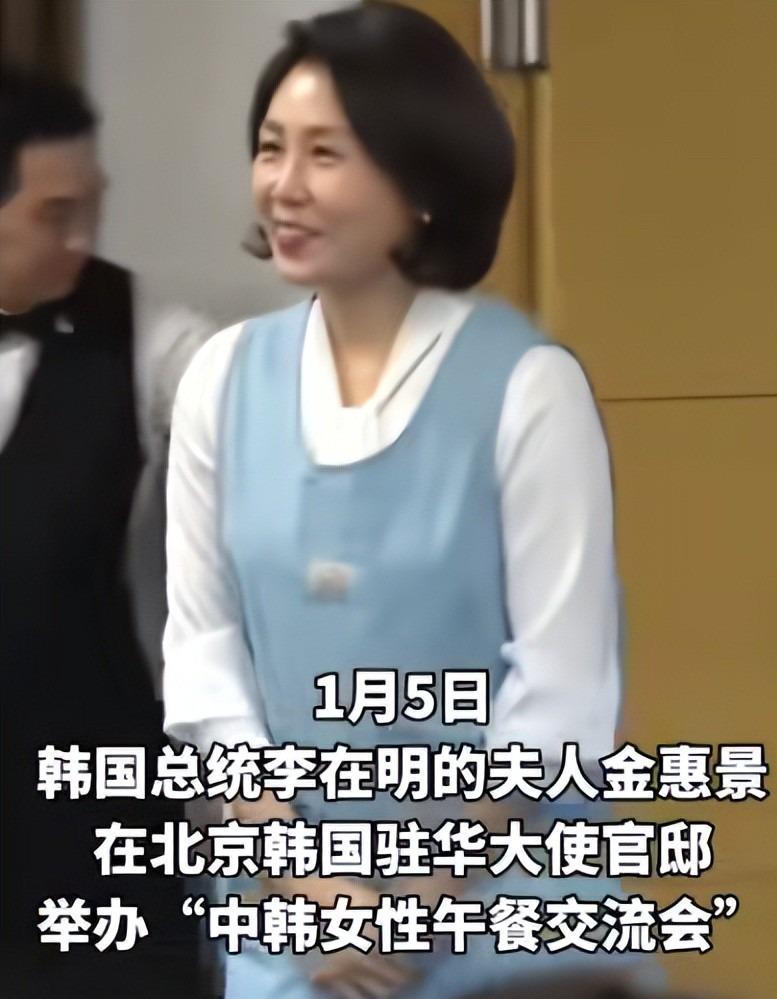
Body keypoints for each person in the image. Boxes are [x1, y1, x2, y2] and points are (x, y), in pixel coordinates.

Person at [163, 4, 663, 998]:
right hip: (296, 929)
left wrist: (417, 900)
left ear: (423, 179)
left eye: (326, 154)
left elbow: (562, 695)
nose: (285, 185)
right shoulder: (222, 377)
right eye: (271, 148)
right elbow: (205, 660)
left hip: (506, 922)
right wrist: (306, 884)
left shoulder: (527, 387)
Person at [0, 64, 210, 997]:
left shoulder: (148, 338)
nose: (83, 240)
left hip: (100, 844)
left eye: (92, 206)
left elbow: (260, 414)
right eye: (55, 214)